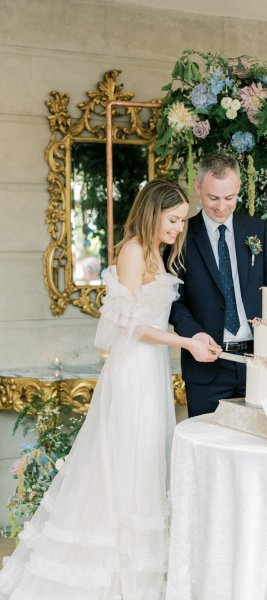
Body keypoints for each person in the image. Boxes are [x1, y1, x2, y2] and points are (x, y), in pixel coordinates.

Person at [0, 179, 218, 600]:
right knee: (126, 461)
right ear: (153, 212)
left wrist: (192, 338)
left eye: (180, 221)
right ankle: (113, 574)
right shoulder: (133, 250)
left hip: (152, 371)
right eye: (173, 219)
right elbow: (130, 326)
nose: (178, 228)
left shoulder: (159, 251)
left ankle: (139, 570)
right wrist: (187, 342)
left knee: (148, 459)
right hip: (133, 371)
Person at [170, 154, 267, 417]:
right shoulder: (180, 237)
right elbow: (173, 301)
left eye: (230, 197)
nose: (222, 206)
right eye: (213, 198)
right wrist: (194, 334)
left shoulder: (257, 230)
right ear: (197, 187)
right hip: (206, 365)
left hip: (256, 363)